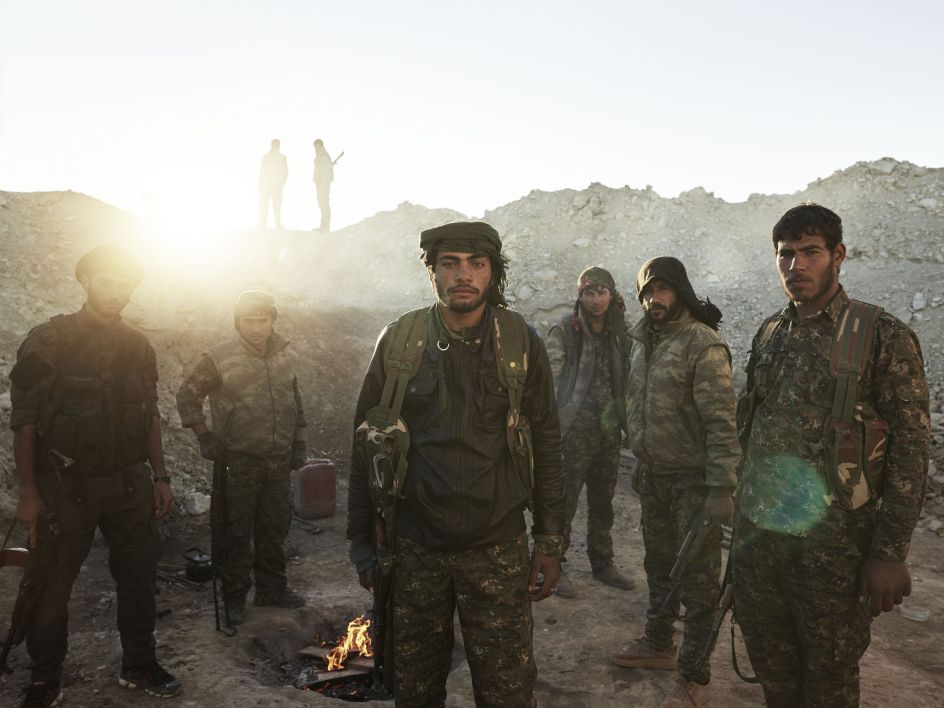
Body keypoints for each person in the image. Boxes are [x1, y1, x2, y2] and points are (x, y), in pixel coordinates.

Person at [346, 221, 564, 706]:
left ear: (492, 273)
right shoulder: (400, 341)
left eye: (476, 264)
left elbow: (548, 442)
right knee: (415, 690)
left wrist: (550, 540)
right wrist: (363, 543)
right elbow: (365, 443)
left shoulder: (519, 341)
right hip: (415, 549)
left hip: (497, 547)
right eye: (450, 264)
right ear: (433, 273)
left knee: (507, 692)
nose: (463, 275)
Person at [731, 204, 930, 707]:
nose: (795, 265)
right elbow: (752, 437)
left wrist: (889, 553)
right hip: (762, 551)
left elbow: (910, 451)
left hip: (834, 557)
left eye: (810, 252)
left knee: (829, 685)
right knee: (775, 680)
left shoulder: (880, 334)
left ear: (837, 255)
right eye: (785, 254)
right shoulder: (770, 333)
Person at [9, 245, 182, 707]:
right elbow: (24, 420)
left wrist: (160, 476)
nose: (116, 291)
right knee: (51, 584)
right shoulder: (48, 340)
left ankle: (139, 664)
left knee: (138, 578)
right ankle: (46, 677)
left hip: (128, 483)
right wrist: (28, 493)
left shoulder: (138, 346)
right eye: (106, 280)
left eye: (125, 283)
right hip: (65, 487)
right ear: (85, 282)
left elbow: (149, 414)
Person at [609, 257, 739, 708]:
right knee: (659, 565)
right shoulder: (644, 341)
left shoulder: (701, 343)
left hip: (693, 482)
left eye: (661, 289)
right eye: (646, 292)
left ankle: (693, 677)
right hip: (655, 475)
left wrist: (721, 487)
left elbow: (721, 421)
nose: (653, 299)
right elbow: (639, 404)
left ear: (679, 291)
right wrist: (641, 454)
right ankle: (658, 642)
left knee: (698, 582)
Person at [176, 290, 308, 625]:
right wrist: (204, 436)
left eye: (263, 320)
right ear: (238, 321)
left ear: (272, 320)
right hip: (238, 460)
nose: (256, 328)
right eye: (249, 321)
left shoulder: (284, 354)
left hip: (277, 459)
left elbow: (295, 401)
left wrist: (299, 443)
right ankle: (234, 598)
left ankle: (272, 589)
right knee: (234, 532)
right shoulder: (219, 357)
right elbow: (187, 396)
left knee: (274, 526)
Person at [545, 266, 634, 599]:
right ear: (580, 296)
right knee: (563, 502)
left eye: (602, 293)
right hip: (573, 432)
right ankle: (553, 566)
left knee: (603, 501)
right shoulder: (565, 331)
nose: (596, 300)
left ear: (611, 295)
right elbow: (551, 381)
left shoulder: (619, 332)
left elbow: (630, 375)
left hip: (608, 431)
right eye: (589, 293)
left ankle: (602, 563)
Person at [257, 139, 288, 229]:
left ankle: (277, 224)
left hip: (277, 186)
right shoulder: (266, 157)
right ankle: (262, 223)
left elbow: (285, 172)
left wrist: (280, 183)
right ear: (271, 145)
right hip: (266, 185)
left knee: (277, 205)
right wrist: (261, 185)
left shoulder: (282, 158)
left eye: (277, 144)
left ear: (279, 146)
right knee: (264, 205)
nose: (275, 146)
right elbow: (262, 172)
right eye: (274, 144)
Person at [312, 139, 334, 233]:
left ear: (321, 145)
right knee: (321, 204)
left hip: (323, 184)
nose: (316, 148)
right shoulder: (318, 156)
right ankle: (323, 225)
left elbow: (328, 172)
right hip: (319, 184)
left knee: (324, 204)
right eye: (315, 146)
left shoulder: (324, 156)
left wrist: (322, 181)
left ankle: (325, 226)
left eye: (317, 145)